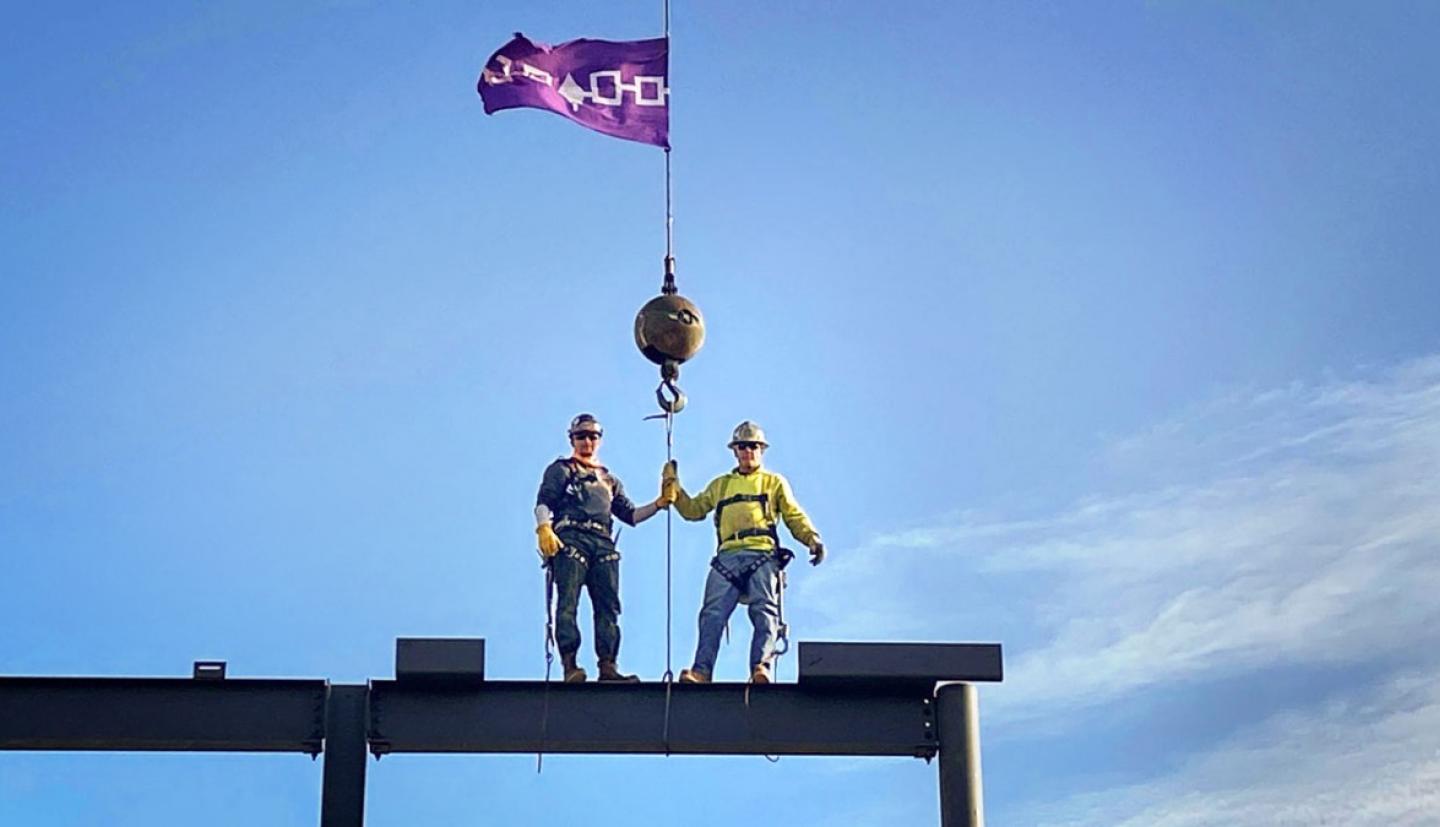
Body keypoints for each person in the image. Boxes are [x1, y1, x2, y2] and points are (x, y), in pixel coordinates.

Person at [663, 421, 825, 684]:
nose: (748, 451)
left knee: (765, 611)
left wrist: (811, 538)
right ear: (735, 451)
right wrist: (675, 489)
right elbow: (693, 510)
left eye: (753, 446)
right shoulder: (721, 485)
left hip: (762, 555)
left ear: (761, 450)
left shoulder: (773, 483)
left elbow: (793, 515)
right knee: (712, 615)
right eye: (743, 446)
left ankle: (761, 668)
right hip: (727, 557)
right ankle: (701, 671)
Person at [535, 413, 672, 683]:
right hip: (571, 538)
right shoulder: (562, 469)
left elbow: (630, 515)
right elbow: (544, 502)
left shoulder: (608, 480)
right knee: (568, 603)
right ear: (572, 439)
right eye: (581, 436)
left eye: (592, 436)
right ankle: (570, 665)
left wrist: (659, 503)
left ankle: (607, 666)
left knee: (608, 607)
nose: (587, 441)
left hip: (603, 543)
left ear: (599, 440)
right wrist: (543, 527)